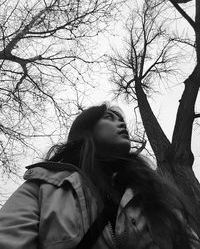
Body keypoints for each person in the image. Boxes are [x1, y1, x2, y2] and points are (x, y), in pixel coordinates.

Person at [0, 103, 199, 249]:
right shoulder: (43, 186)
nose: (122, 124)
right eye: (110, 117)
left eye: (121, 120)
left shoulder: (154, 192)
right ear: (85, 130)